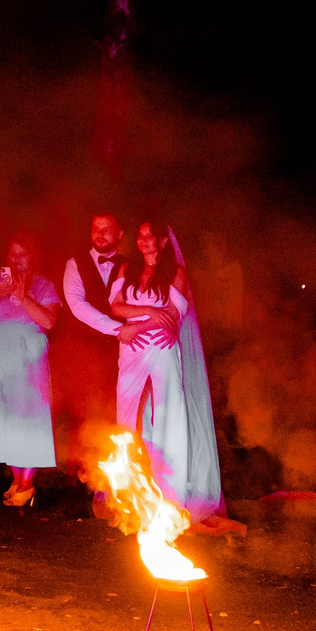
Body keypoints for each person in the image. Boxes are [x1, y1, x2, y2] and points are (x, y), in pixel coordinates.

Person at [94, 221, 224, 517]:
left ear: (163, 241)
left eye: (149, 236)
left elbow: (174, 313)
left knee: (169, 410)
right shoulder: (127, 270)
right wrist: (150, 312)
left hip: (161, 346)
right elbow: (116, 307)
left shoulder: (176, 273)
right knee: (127, 410)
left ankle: (170, 493)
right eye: (140, 236)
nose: (143, 241)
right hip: (133, 349)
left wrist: (136, 327)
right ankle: (129, 490)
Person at [0, 235, 59, 507]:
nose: (16, 260)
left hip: (27, 353)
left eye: (22, 254)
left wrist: (23, 297)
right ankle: (17, 478)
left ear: (33, 257)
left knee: (29, 415)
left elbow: (49, 321)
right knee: (3, 413)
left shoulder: (43, 285)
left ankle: (28, 483)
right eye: (12, 254)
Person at [58, 215, 131, 476]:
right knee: (81, 415)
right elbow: (77, 306)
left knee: (115, 411)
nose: (99, 234)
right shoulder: (74, 264)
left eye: (106, 229)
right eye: (95, 229)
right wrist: (118, 329)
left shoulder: (130, 265)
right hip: (83, 351)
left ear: (119, 234)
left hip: (120, 352)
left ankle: (113, 481)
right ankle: (78, 482)